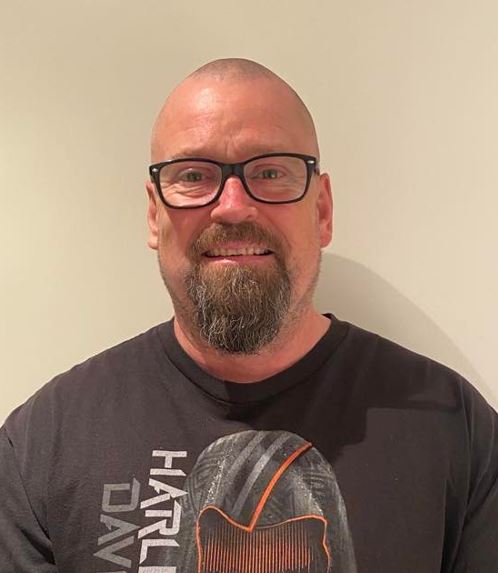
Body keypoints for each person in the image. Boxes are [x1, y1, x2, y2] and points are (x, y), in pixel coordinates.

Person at [0, 58, 496, 573]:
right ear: (154, 213)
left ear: (322, 210)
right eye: (194, 175)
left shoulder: (455, 431)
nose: (232, 207)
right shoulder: (42, 443)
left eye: (270, 172)